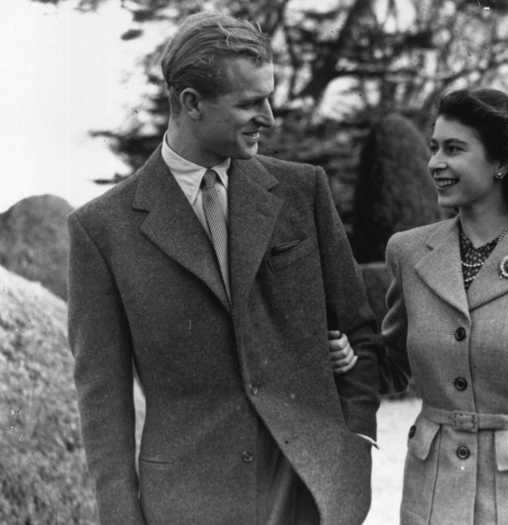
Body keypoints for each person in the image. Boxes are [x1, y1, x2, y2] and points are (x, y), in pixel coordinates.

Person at [67, 12, 380, 525]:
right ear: (190, 103)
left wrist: (355, 447)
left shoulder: (304, 191)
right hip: (188, 503)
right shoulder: (101, 230)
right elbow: (103, 400)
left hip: (309, 496)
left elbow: (360, 331)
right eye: (250, 103)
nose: (271, 117)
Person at [334, 88, 508, 524]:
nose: (434, 163)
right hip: (432, 499)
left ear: (501, 162)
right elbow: (393, 366)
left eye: (454, 149)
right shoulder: (408, 252)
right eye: (433, 148)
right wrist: (352, 359)